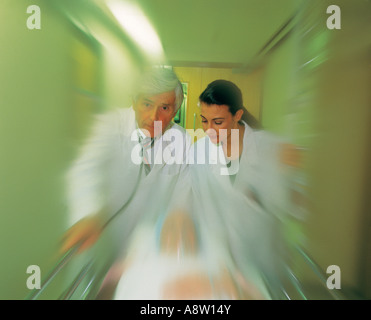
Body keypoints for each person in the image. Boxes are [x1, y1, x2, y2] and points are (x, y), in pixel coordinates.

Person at [61, 67, 192, 257]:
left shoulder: (181, 139)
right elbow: (86, 169)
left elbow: (185, 183)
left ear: (175, 111)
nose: (153, 117)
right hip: (103, 236)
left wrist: (180, 212)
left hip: (151, 242)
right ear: (134, 101)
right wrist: (86, 212)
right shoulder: (112, 124)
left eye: (164, 108)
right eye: (146, 104)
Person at [190, 79, 289, 297]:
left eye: (217, 122)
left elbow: (286, 203)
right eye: (204, 121)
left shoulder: (270, 148)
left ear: (238, 115)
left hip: (261, 256)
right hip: (219, 259)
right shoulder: (198, 151)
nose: (208, 130)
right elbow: (195, 202)